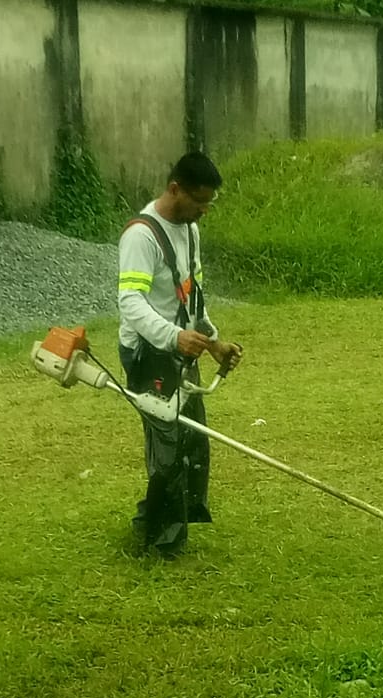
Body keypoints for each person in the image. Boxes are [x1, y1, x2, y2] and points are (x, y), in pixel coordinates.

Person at [117, 151, 242, 557]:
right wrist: (174, 337)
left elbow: (192, 294)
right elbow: (130, 302)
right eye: (200, 201)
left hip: (180, 346)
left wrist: (212, 341)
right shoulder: (141, 236)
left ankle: (153, 519)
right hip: (148, 352)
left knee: (190, 440)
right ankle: (159, 542)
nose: (204, 211)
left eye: (209, 203)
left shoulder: (190, 230)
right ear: (175, 189)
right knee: (168, 445)